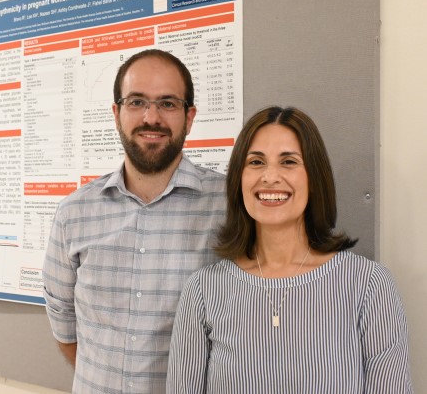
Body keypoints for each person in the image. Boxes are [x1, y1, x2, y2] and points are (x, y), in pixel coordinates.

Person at [166, 106, 413, 393]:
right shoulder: (203, 291)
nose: (270, 177)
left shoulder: (369, 286)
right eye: (256, 162)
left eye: (288, 162)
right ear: (239, 179)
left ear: (314, 177)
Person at [42, 49, 226, 393]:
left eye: (168, 104)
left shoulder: (230, 207)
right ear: (117, 113)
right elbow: (65, 327)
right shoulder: (73, 214)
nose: (151, 117)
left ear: (189, 117)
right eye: (137, 102)